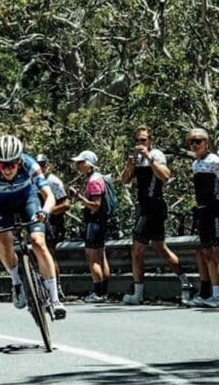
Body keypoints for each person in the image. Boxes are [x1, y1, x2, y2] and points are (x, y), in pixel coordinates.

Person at [0, 135, 66, 318]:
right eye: (2, 165)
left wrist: (46, 212)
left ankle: (55, 299)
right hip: (0, 206)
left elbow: (49, 196)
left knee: (38, 242)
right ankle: (16, 282)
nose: (7, 169)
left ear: (19, 160)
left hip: (27, 200)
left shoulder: (29, 164)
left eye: (11, 164)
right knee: (5, 240)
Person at [120, 126, 192, 304]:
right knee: (160, 248)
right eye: (137, 140)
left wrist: (149, 158)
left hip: (154, 207)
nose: (139, 144)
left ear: (150, 141)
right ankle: (185, 282)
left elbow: (166, 176)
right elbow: (124, 181)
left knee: (136, 249)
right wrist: (129, 167)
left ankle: (138, 293)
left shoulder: (157, 155)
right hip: (144, 207)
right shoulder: (136, 159)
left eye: (143, 140)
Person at [184, 128, 219, 307]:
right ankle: (210, 293)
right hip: (203, 211)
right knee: (205, 252)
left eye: (198, 141)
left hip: (215, 211)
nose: (194, 145)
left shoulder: (214, 161)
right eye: (191, 142)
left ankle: (217, 294)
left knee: (214, 253)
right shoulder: (195, 164)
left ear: (206, 143)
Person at [70, 150, 110, 303]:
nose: (78, 165)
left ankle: (98, 293)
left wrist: (79, 197)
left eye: (80, 162)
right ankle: (104, 291)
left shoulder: (94, 181)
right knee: (101, 254)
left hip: (94, 222)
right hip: (101, 222)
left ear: (88, 163)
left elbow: (95, 205)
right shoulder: (98, 178)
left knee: (92, 256)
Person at [35, 154, 70, 299]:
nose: (41, 167)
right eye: (38, 165)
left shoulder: (53, 181)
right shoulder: (32, 181)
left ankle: (57, 287)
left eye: (43, 164)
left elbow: (66, 204)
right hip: (37, 223)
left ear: (47, 165)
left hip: (53, 223)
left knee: (49, 253)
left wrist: (48, 211)